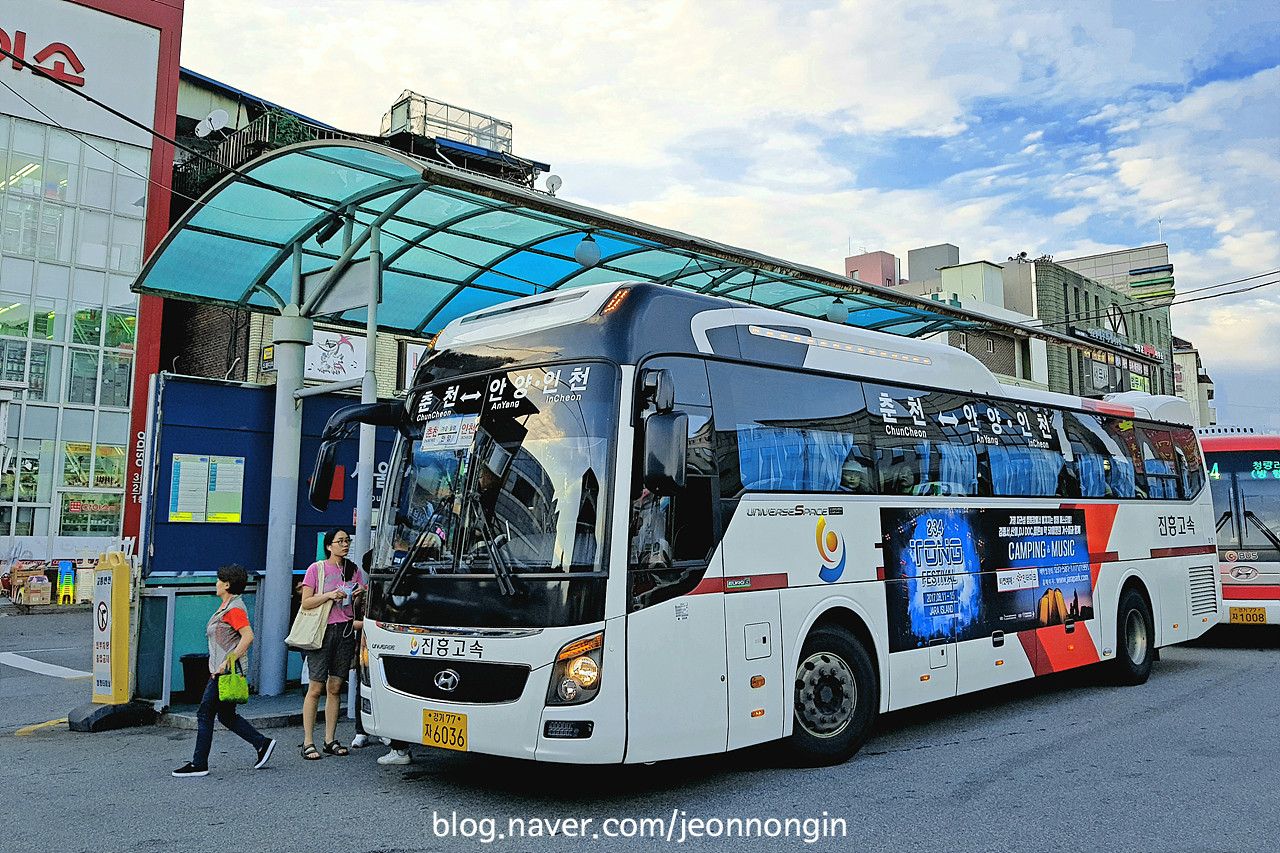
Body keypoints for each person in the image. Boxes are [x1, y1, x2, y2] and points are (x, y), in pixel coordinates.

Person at [172, 564, 275, 777]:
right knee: (226, 716)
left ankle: (199, 763)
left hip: (225, 672)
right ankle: (262, 743)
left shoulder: (234, 609)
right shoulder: (227, 606)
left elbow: (248, 637)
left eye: (219, 580)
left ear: (227, 584)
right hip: (220, 670)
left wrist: (227, 662)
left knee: (204, 713)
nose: (216, 583)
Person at [299, 528, 365, 760]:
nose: (345, 545)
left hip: (345, 631)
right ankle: (308, 741)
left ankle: (330, 739)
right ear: (329, 546)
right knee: (315, 687)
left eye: (347, 541)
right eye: (340, 541)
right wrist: (329, 595)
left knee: (335, 687)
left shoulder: (353, 570)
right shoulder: (316, 569)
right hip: (321, 631)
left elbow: (355, 602)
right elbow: (306, 602)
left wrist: (358, 593)